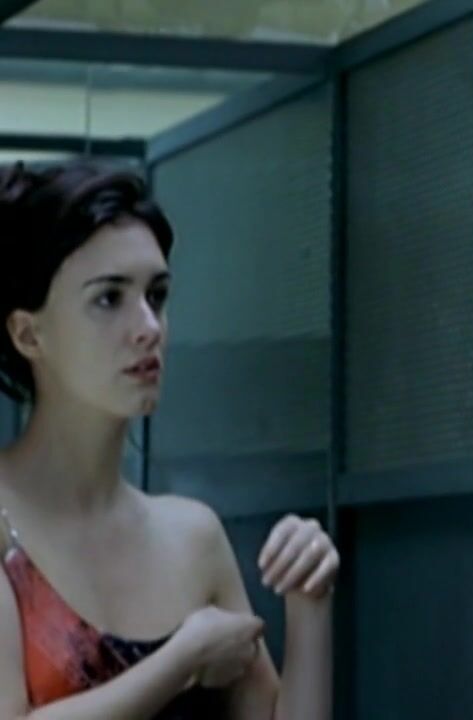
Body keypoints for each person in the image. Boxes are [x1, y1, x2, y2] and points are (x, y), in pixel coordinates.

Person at [0, 162, 340, 719]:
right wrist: (183, 659)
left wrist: (310, 602)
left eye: (156, 296)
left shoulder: (192, 536)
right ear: (29, 333)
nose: (149, 328)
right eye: (108, 298)